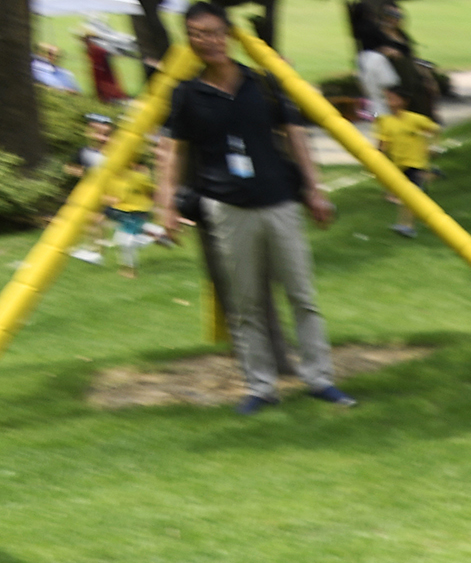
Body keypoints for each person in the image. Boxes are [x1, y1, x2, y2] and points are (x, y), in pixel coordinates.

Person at [156, 2, 356, 414]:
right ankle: (261, 387)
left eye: (213, 32)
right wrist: (166, 206)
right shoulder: (187, 94)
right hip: (227, 210)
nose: (206, 41)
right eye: (196, 34)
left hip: (280, 203)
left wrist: (315, 191)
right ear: (188, 40)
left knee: (303, 297)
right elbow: (171, 153)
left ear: (227, 34)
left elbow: (297, 137)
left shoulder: (263, 84)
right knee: (245, 305)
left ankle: (320, 380)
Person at [373, 86, 438, 236]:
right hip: (399, 164)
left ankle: (407, 226)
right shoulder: (385, 122)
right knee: (410, 195)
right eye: (388, 99)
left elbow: (434, 130)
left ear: (404, 101)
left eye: (392, 98)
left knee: (410, 196)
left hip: (415, 162)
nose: (389, 102)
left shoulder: (415, 119)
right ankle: (431, 176)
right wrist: (379, 158)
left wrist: (432, 147)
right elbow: (382, 143)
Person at [102, 140, 159, 275]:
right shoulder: (110, 178)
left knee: (125, 241)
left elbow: (152, 191)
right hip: (122, 212)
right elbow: (105, 195)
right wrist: (110, 200)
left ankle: (130, 271)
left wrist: (156, 206)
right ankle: (157, 235)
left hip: (138, 211)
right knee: (120, 240)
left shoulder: (138, 177)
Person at [66, 113, 113, 264]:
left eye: (105, 134)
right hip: (88, 190)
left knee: (96, 219)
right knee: (90, 219)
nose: (100, 137)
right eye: (96, 132)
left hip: (106, 191)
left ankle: (98, 251)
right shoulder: (84, 151)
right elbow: (69, 167)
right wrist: (80, 172)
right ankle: (94, 249)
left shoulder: (111, 154)